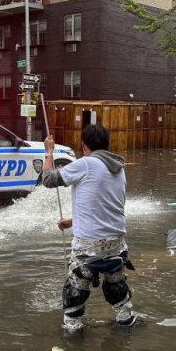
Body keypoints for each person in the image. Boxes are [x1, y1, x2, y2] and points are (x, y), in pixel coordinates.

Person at [41, 125, 137, 331]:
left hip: (88, 247)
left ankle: (74, 335)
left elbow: (48, 180)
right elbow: (105, 205)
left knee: (75, 291)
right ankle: (126, 322)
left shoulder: (85, 164)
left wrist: (48, 152)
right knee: (117, 288)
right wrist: (73, 220)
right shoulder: (118, 168)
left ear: (84, 146)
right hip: (117, 245)